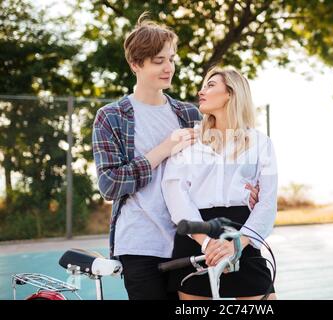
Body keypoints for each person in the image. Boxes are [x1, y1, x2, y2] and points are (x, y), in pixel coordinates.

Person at [92, 13, 260, 300]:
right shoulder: (111, 117)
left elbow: (213, 172)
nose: (168, 67)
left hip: (188, 240)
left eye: (171, 58)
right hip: (140, 244)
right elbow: (110, 185)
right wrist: (163, 149)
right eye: (159, 61)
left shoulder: (189, 114)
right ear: (135, 64)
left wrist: (247, 192)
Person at [162, 67, 278, 300]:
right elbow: (175, 193)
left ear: (231, 93)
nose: (201, 91)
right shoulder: (188, 139)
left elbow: (268, 202)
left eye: (210, 85)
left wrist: (238, 243)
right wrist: (206, 243)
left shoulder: (260, 143)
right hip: (195, 237)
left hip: (243, 236)